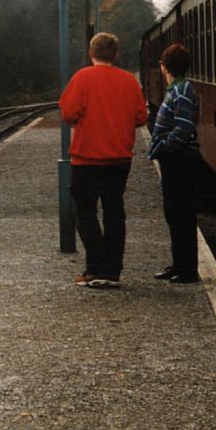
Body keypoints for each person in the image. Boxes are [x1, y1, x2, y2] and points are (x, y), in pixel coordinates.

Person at [59, 32, 148, 289]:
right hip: (119, 159)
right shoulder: (129, 81)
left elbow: (69, 113)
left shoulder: (82, 78)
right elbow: (141, 118)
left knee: (85, 211)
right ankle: (112, 270)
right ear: (116, 54)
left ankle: (95, 268)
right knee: (114, 212)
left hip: (86, 159)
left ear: (91, 53)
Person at [147, 43, 201, 284]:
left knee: (182, 214)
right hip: (174, 160)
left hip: (179, 159)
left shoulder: (182, 91)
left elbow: (183, 128)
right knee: (174, 213)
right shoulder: (176, 89)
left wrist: (163, 147)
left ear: (165, 65)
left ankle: (188, 270)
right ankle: (179, 264)